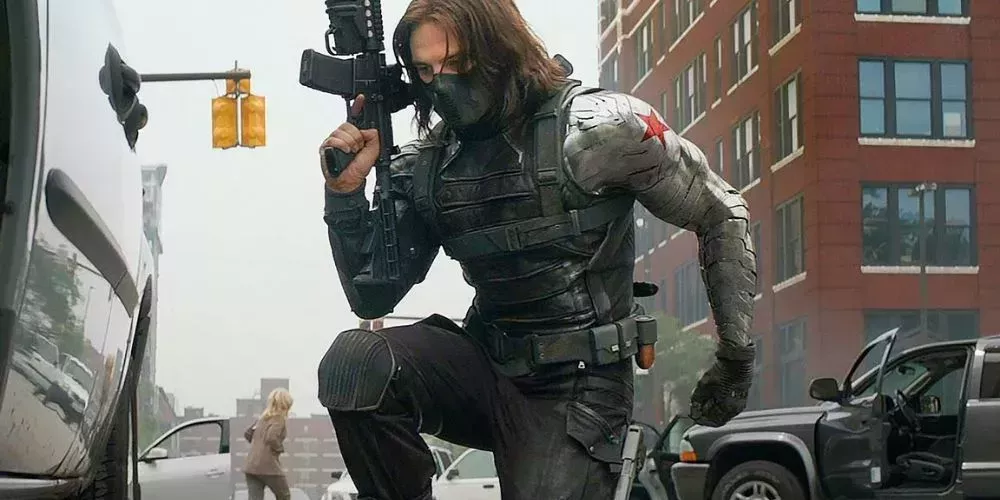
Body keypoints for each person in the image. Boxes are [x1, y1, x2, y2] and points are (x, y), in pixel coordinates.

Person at [316, 1, 757, 499]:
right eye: (425, 70)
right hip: (486, 365)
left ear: (500, 48)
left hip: (580, 384)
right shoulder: (429, 164)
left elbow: (720, 211)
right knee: (355, 363)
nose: (442, 83)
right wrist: (345, 195)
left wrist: (735, 358)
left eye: (457, 62)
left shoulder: (599, 129)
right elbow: (372, 297)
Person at [243, 388, 294, 500]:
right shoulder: (279, 419)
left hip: (251, 467)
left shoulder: (262, 419)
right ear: (285, 404)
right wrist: (279, 448)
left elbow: (247, 434)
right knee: (284, 496)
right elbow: (271, 437)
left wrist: (258, 444)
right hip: (269, 467)